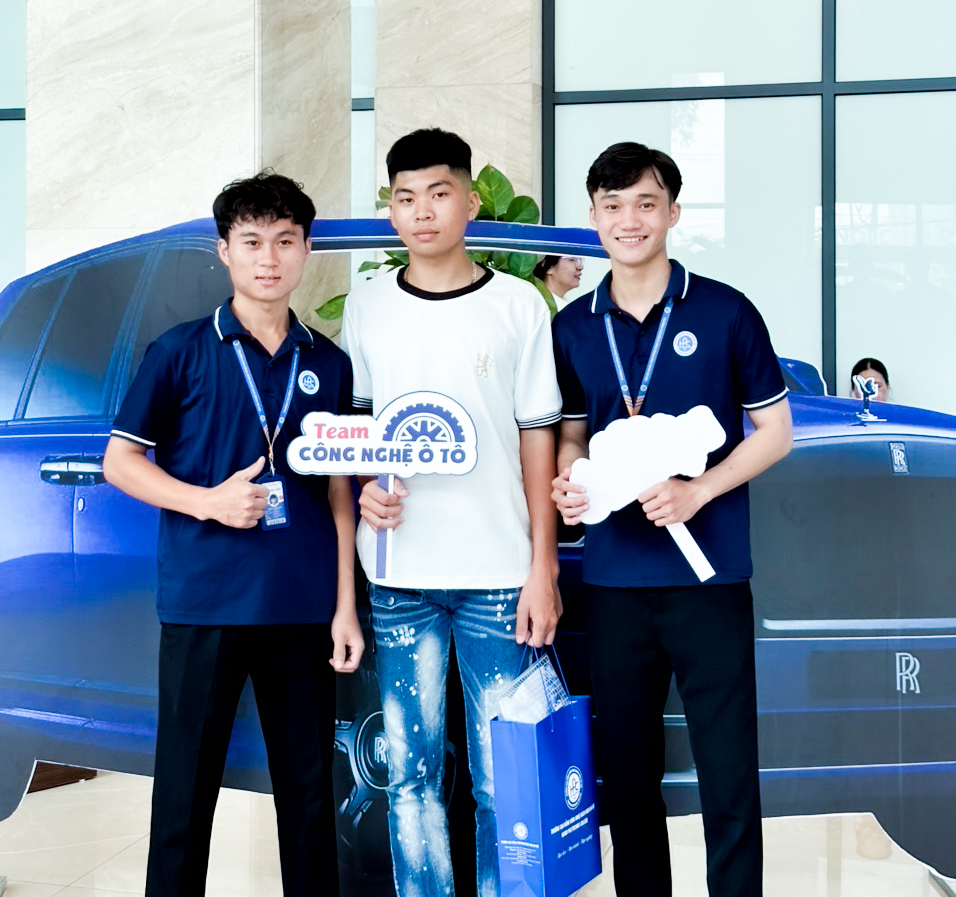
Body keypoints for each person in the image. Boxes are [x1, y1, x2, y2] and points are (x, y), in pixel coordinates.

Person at [103, 171, 364, 895]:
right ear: (224, 251)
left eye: (284, 240)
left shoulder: (329, 363)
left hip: (302, 606)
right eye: (251, 242)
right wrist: (208, 503)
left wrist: (345, 605)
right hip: (204, 604)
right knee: (185, 796)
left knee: (309, 796)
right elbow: (121, 461)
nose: (268, 258)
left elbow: (340, 491)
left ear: (306, 250)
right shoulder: (181, 350)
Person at [551, 142, 792, 897]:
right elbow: (572, 436)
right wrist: (570, 483)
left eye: (645, 203)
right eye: (613, 206)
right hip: (614, 582)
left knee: (727, 771)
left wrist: (699, 491)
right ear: (594, 217)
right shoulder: (574, 325)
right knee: (628, 776)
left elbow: (776, 432)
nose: (629, 220)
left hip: (708, 578)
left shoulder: (725, 311)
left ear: (673, 212)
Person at [341, 127, 562, 897]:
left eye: (438, 194)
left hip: (500, 576)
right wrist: (365, 485)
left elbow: (538, 439)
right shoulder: (367, 305)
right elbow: (359, 431)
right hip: (398, 576)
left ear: (470, 201)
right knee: (410, 780)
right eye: (406, 198)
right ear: (392, 210)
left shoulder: (518, 306)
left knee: (505, 784)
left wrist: (542, 567)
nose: (423, 211)